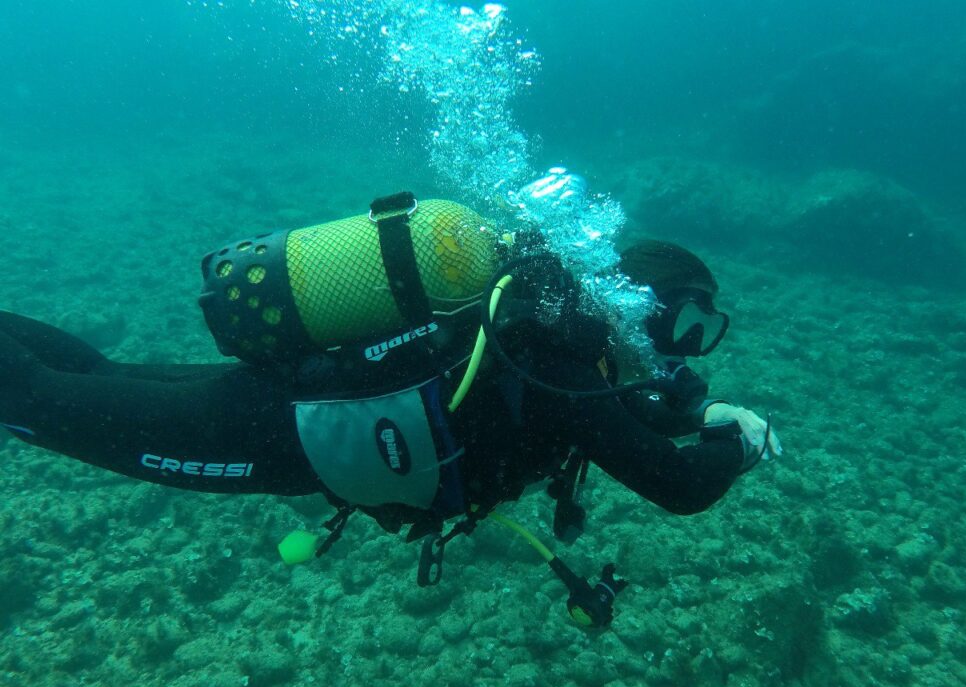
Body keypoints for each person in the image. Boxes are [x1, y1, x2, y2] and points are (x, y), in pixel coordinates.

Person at [0, 193, 780, 626]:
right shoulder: (563, 364)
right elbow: (678, 486)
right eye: (687, 324)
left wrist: (695, 417)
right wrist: (741, 442)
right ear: (640, 307)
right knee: (42, 402)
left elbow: (628, 421)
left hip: (294, 401)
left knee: (88, 381)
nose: (685, 349)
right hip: (282, 433)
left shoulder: (558, 347)